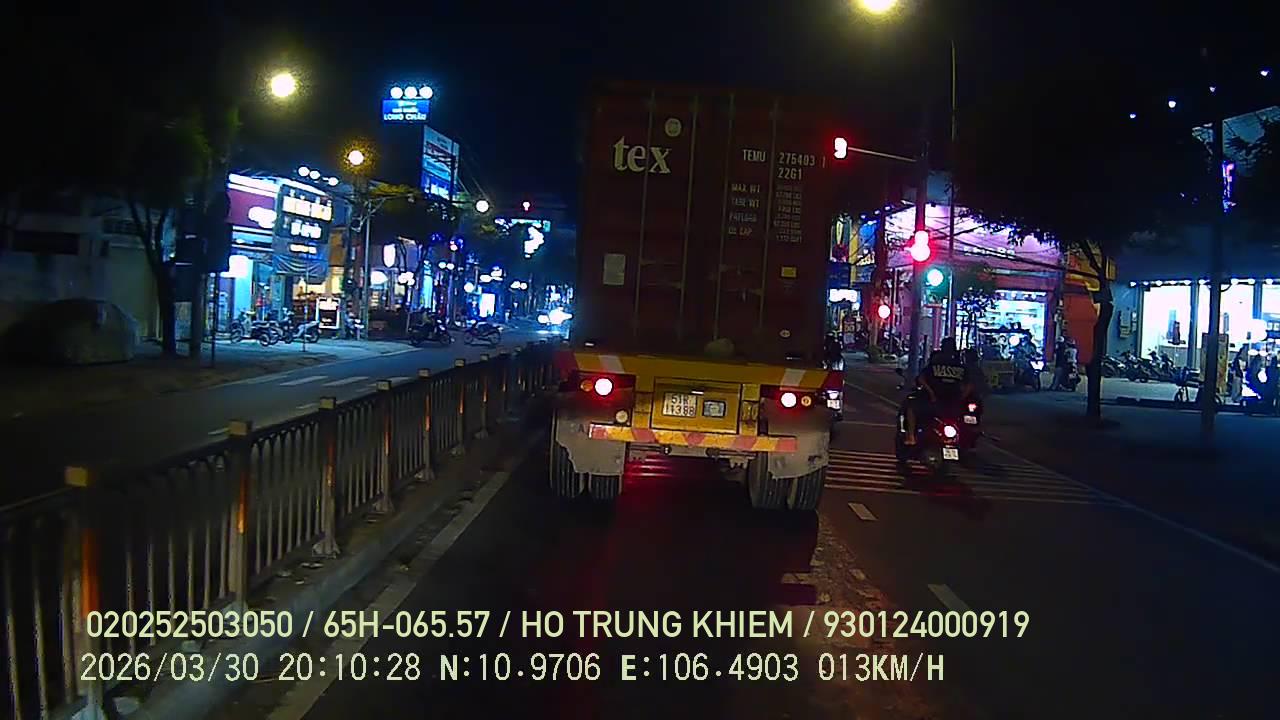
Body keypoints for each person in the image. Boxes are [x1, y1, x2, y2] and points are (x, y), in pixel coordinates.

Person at [903, 337, 975, 445]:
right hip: (953, 404)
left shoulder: (934, 365)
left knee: (911, 408)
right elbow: (969, 385)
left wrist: (930, 393)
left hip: (934, 402)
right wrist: (962, 398)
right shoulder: (960, 367)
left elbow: (921, 379)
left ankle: (911, 436)